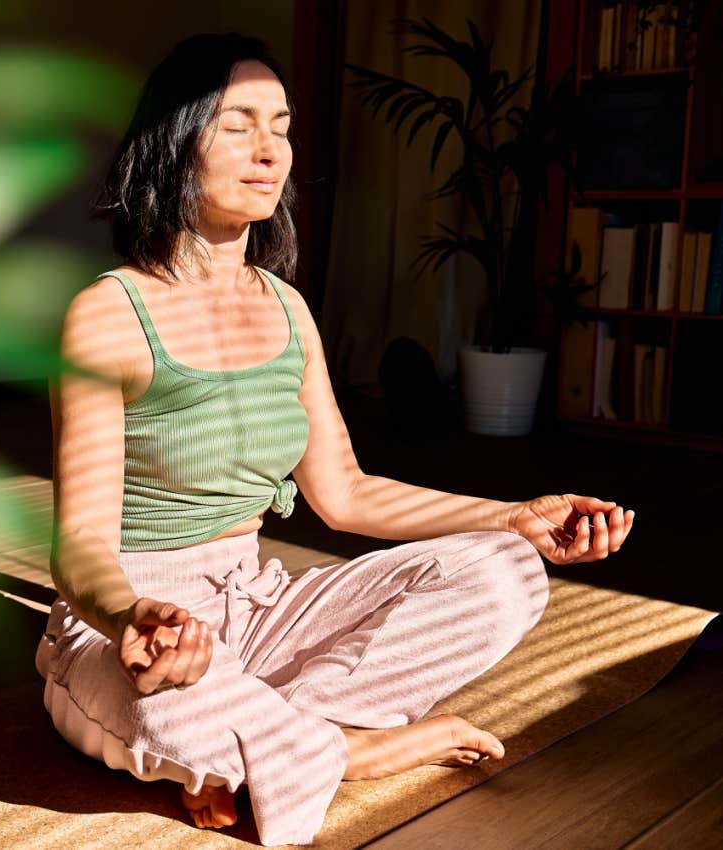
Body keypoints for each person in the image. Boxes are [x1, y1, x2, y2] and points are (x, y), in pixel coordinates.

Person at [35, 33, 635, 847]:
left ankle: (281, 742)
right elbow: (78, 547)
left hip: (256, 604)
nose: (269, 150)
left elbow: (346, 493)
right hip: (142, 624)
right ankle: (346, 752)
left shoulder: (288, 310)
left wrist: (512, 517)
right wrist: (130, 616)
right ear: (174, 144)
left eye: (280, 127)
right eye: (237, 124)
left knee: (508, 573)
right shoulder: (108, 316)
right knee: (170, 709)